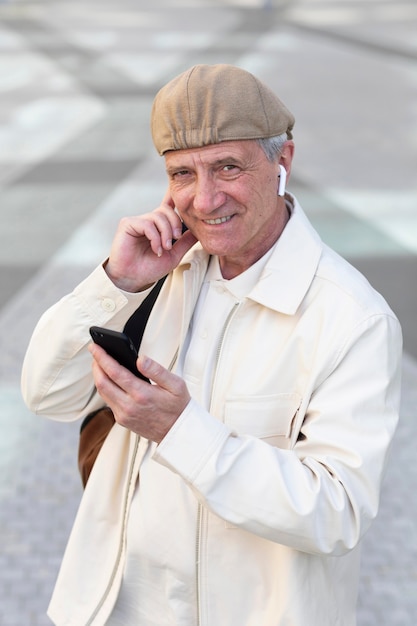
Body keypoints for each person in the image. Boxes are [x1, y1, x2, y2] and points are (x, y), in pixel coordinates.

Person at [21, 64, 402, 626]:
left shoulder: (351, 318)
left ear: (283, 162)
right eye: (182, 174)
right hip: (118, 608)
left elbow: (337, 514)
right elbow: (46, 395)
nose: (203, 199)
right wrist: (116, 283)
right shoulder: (161, 272)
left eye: (228, 167)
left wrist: (180, 431)